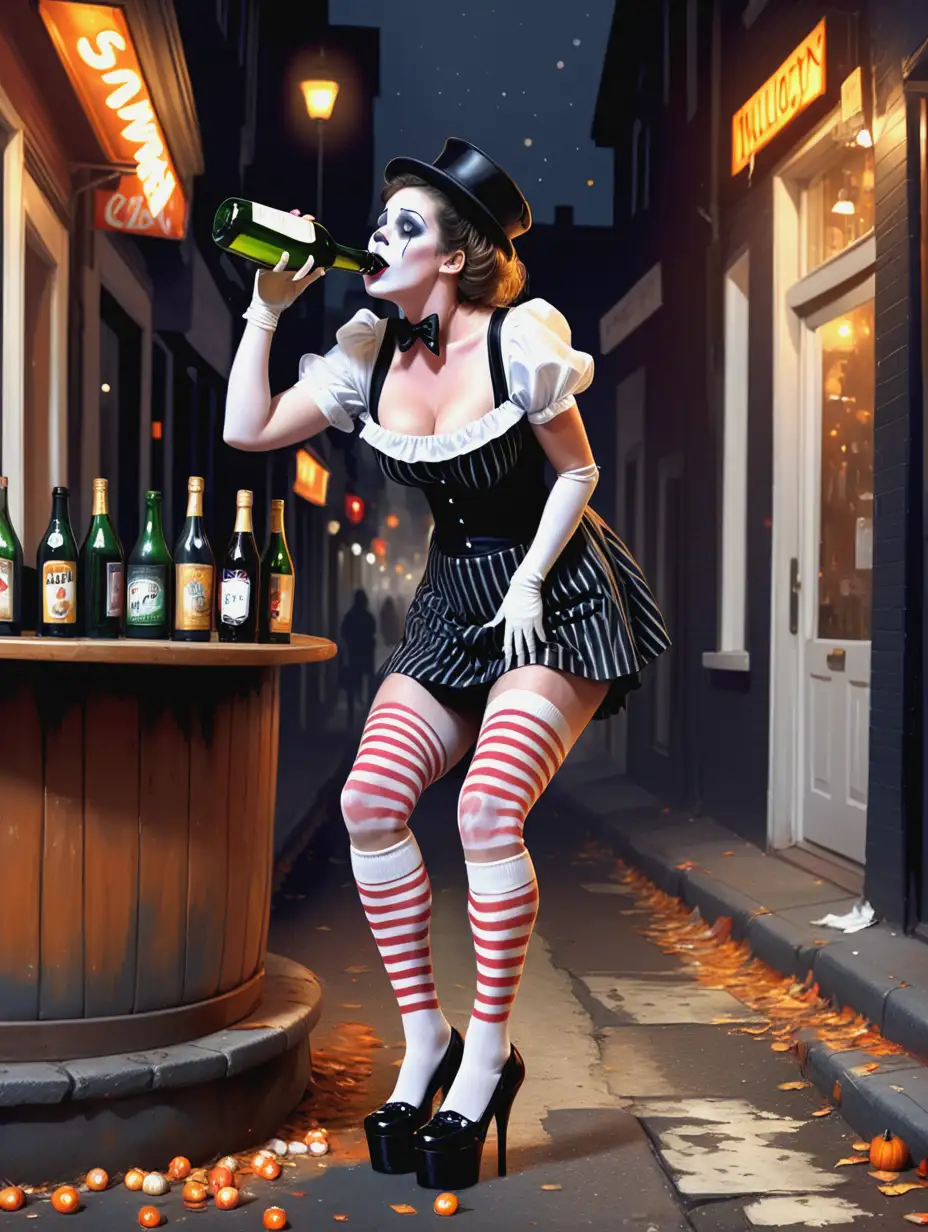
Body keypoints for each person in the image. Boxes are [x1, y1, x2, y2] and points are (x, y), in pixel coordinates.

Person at [224, 138, 670, 1191]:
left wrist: (527, 582)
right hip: (451, 601)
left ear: (460, 254)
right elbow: (249, 426)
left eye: (405, 226)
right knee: (370, 797)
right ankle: (424, 1036)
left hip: (551, 595)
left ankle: (485, 1057)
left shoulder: (522, 339)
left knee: (482, 814)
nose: (378, 238)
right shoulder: (371, 347)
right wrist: (265, 308)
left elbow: (579, 468)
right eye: (380, 225)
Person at [340, 588, 376, 724]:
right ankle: (368, 710)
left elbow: (344, 631)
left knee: (352, 684)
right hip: (364, 654)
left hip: (354, 653)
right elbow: (373, 630)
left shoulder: (350, 616)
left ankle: (351, 714)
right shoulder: (367, 616)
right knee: (367, 681)